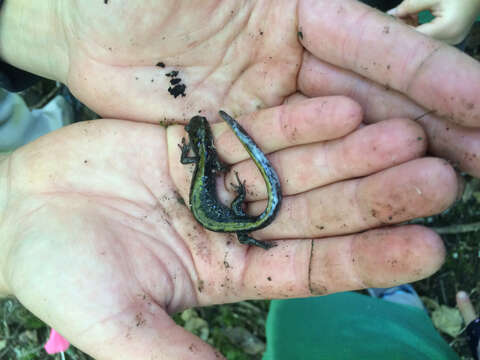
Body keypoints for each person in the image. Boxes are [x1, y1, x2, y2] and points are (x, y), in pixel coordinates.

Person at [0, 1, 479, 359]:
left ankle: (258, 231)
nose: (198, 137)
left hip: (228, 220)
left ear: (199, 144)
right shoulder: (204, 158)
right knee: (242, 206)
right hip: (225, 217)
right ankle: (258, 226)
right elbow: (207, 167)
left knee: (244, 211)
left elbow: (203, 167)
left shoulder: (199, 159)